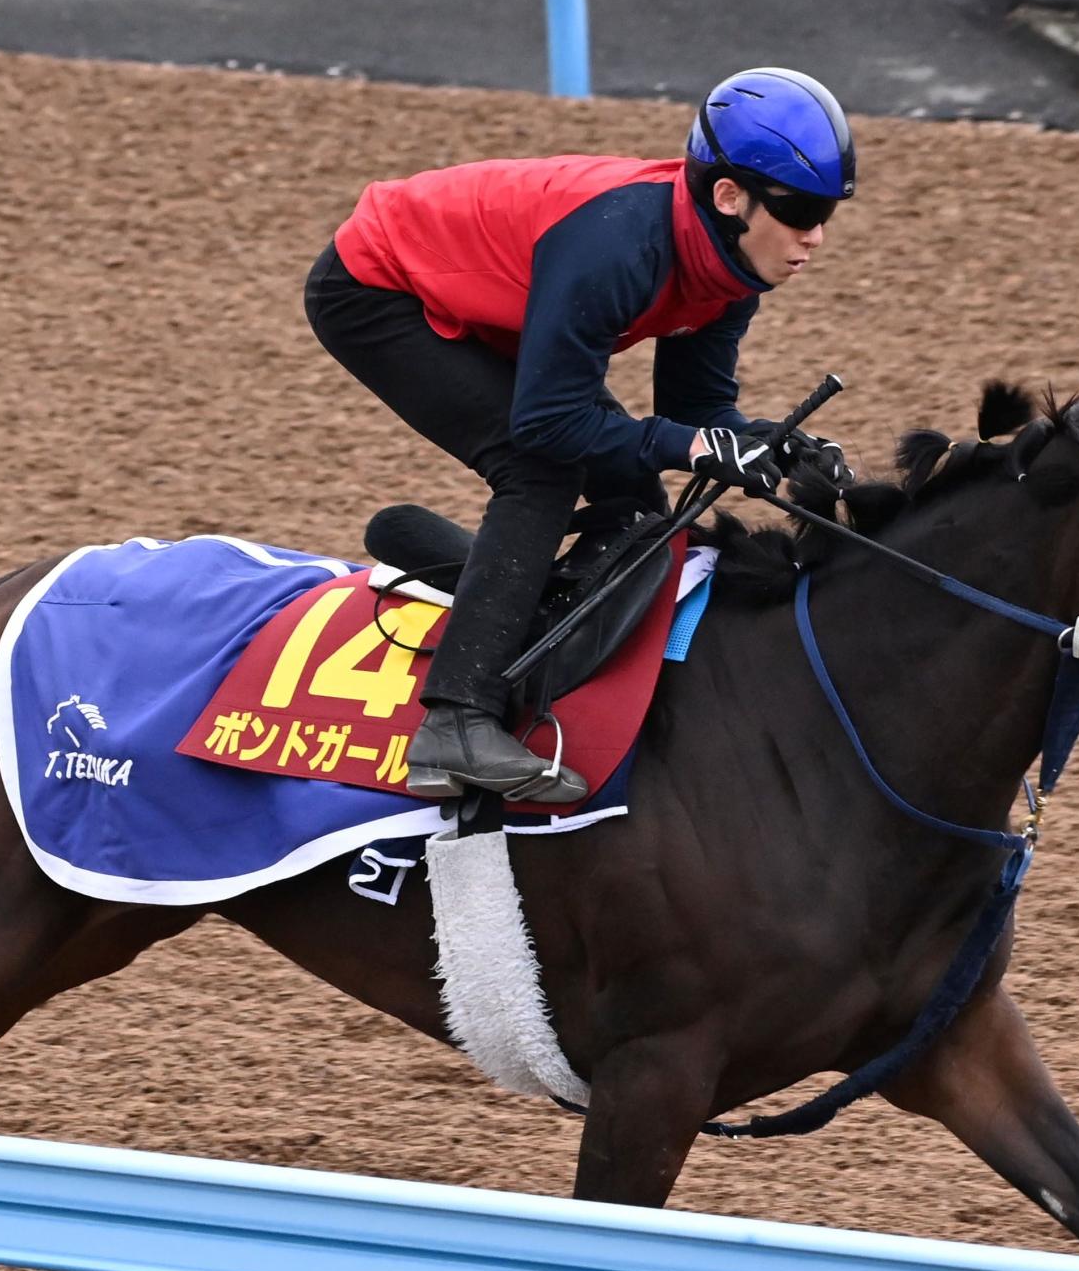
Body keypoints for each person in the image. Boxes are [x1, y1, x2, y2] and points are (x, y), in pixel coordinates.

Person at [305, 66, 855, 804]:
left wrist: (771, 446)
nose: (815, 236)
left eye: (829, 214)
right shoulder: (620, 248)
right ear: (730, 196)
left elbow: (696, 411)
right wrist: (689, 446)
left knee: (635, 502)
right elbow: (550, 423)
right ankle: (456, 720)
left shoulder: (729, 263)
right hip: (378, 288)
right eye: (801, 211)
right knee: (541, 467)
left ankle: (527, 631)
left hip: (494, 303)